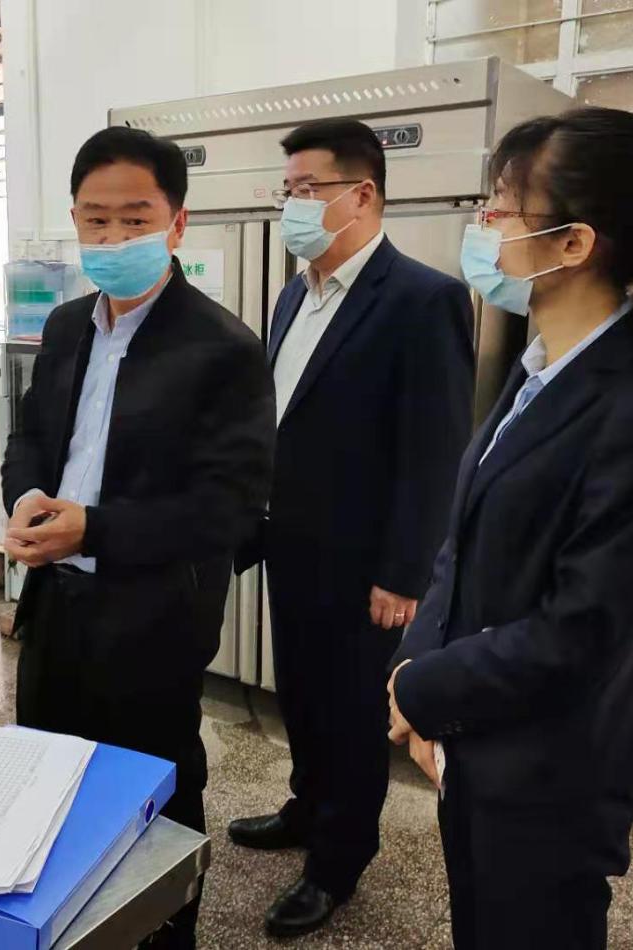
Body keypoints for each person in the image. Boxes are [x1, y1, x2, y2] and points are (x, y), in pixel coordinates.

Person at [388, 107, 633, 950]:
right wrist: (417, 676)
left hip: (549, 772)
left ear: (573, 242)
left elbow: (580, 630)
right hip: (478, 739)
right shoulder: (539, 366)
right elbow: (462, 543)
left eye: (499, 209)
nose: (481, 227)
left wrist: (424, 690)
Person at [1, 126, 275, 949]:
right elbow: (30, 436)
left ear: (176, 224)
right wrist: (26, 499)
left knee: (153, 787)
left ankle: (165, 930)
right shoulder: (66, 326)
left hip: (153, 612)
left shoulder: (222, 348)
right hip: (55, 603)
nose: (113, 238)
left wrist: (96, 528)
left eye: (134, 219)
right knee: (49, 775)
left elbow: (228, 509)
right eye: (96, 220)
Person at [227, 118, 474, 937]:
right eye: (286, 190)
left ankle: (338, 860)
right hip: (291, 545)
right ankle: (306, 806)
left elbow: (433, 450)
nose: (291, 205)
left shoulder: (422, 299)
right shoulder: (294, 292)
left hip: (367, 563)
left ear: (361, 194)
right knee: (300, 693)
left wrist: (403, 573)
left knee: (351, 715)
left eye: (307, 189)